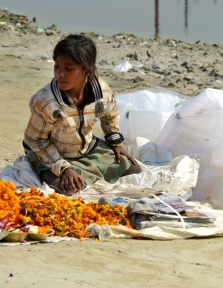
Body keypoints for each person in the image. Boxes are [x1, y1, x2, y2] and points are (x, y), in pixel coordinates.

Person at [23, 34, 141, 194]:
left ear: (87, 69)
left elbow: (110, 114)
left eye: (68, 68)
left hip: (86, 149)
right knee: (67, 188)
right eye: (57, 66)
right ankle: (46, 171)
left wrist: (115, 142)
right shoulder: (46, 101)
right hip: (50, 153)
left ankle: (79, 171)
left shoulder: (101, 91)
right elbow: (35, 140)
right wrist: (63, 168)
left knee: (133, 169)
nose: (59, 74)